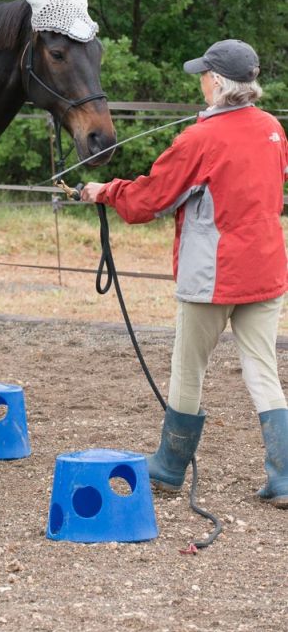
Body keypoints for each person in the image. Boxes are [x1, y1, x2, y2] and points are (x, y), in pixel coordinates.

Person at [81, 39, 288, 507]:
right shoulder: (273, 129)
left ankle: (170, 468)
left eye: (203, 75)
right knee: (263, 370)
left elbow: (151, 200)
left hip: (212, 275)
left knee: (188, 368)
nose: (200, 81)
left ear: (217, 82)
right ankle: (284, 478)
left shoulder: (198, 139)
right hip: (267, 269)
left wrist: (105, 191)